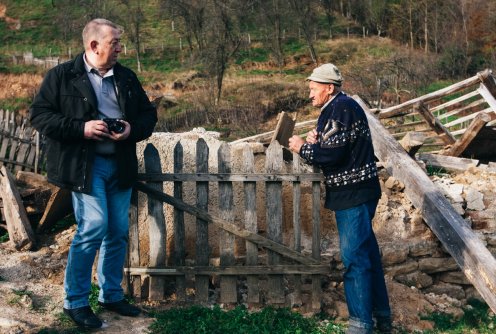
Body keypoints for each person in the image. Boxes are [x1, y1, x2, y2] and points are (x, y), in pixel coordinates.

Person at [30, 18, 157, 329]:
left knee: (117, 231)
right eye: (114, 43)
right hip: (84, 167)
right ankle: (75, 302)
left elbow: (147, 115)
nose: (120, 49)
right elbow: (39, 116)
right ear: (94, 45)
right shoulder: (62, 76)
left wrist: (130, 129)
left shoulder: (126, 77)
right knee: (93, 227)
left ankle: (111, 295)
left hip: (121, 164)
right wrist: (81, 128)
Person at [288, 63, 392, 334]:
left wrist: (303, 148)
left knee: (354, 259)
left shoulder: (340, 109)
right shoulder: (339, 108)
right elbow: (334, 144)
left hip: (353, 195)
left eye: (313, 89)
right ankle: (382, 318)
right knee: (367, 255)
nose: (309, 94)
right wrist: (316, 141)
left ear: (329, 88)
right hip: (359, 191)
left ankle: (360, 325)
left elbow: (333, 155)